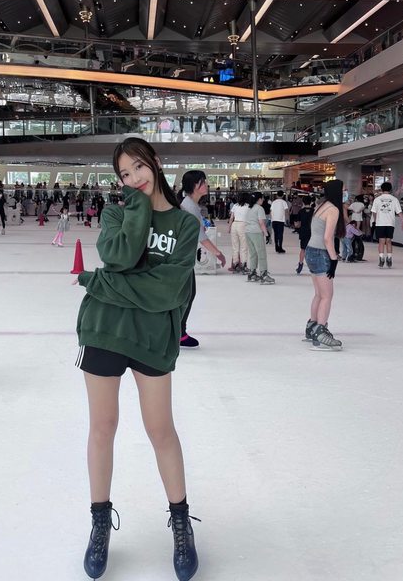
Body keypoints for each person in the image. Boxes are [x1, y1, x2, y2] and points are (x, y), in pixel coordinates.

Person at [75, 137, 200, 581]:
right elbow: (120, 255)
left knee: (160, 429)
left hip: (151, 337)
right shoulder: (116, 213)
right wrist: (137, 206)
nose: (134, 178)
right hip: (105, 330)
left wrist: (99, 283)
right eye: (125, 174)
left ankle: (181, 523)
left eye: (139, 167)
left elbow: (166, 292)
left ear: (155, 162)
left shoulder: (185, 224)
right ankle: (99, 523)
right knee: (102, 428)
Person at [178, 170, 226, 348]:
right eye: (203, 182)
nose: (206, 185)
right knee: (186, 296)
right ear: (194, 186)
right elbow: (201, 238)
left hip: (184, 258)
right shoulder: (189, 206)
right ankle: (178, 333)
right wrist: (218, 253)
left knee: (187, 295)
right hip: (181, 259)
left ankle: (178, 332)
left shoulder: (191, 204)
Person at [303, 179, 345, 351]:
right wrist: (334, 259)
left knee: (319, 294)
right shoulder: (333, 209)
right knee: (327, 296)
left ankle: (312, 327)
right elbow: (328, 239)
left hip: (310, 250)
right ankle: (320, 334)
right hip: (321, 252)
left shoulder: (321, 206)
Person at [371, 181, 403, 268]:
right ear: (390, 189)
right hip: (390, 223)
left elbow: (374, 212)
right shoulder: (394, 199)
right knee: (389, 241)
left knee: (381, 241)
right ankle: (389, 258)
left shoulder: (377, 199)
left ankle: (381, 258)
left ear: (381, 189)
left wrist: (375, 220)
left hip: (380, 223)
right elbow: (399, 212)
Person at [244, 192, 275, 284]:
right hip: (256, 232)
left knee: (253, 253)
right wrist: (267, 234)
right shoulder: (259, 208)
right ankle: (264, 275)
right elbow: (261, 223)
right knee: (261, 253)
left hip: (248, 232)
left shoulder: (249, 208)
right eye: (262, 198)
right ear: (259, 199)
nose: (263, 200)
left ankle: (252, 274)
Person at [227, 192, 249, 273]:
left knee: (235, 246)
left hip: (234, 224)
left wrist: (229, 228)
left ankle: (235, 265)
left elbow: (231, 218)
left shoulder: (235, 205)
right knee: (244, 246)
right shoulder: (248, 206)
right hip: (243, 225)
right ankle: (243, 265)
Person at [296, 195, 314, 274]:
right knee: (312, 249)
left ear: (303, 202)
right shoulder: (314, 211)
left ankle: (300, 264)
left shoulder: (301, 211)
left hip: (303, 232)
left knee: (303, 249)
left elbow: (297, 224)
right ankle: (312, 266)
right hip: (312, 232)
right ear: (311, 202)